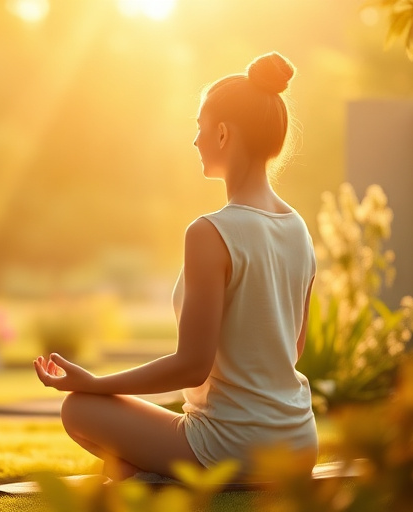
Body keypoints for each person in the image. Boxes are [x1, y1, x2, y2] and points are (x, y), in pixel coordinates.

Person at [33, 51, 318, 482]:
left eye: (200, 129)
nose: (196, 141)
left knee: (79, 408)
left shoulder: (209, 232)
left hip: (234, 448)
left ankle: (152, 476)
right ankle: (147, 474)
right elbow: (292, 350)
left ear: (223, 134)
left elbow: (192, 366)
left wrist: (93, 383)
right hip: (299, 445)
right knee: (136, 426)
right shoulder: (298, 229)